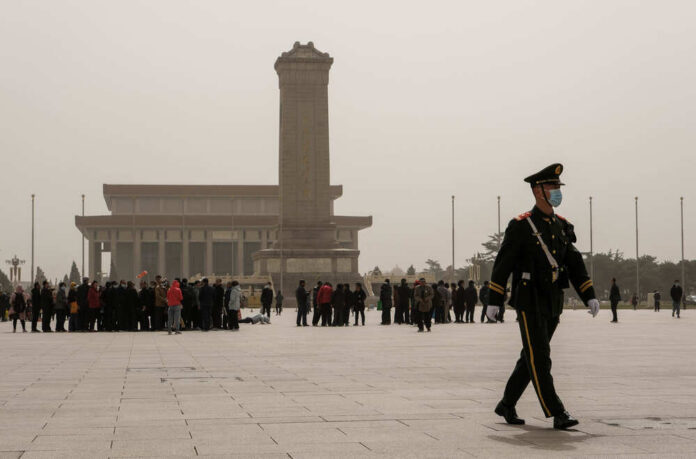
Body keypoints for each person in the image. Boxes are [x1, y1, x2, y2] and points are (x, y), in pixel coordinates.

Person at [489, 163, 600, 430]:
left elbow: (574, 263)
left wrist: (589, 295)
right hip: (529, 300)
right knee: (540, 356)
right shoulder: (521, 225)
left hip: (552, 300)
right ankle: (557, 411)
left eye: (557, 187)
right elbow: (503, 263)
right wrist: (494, 299)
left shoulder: (562, 226)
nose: (556, 191)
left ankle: (506, 403)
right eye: (551, 187)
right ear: (537, 190)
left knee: (530, 356)